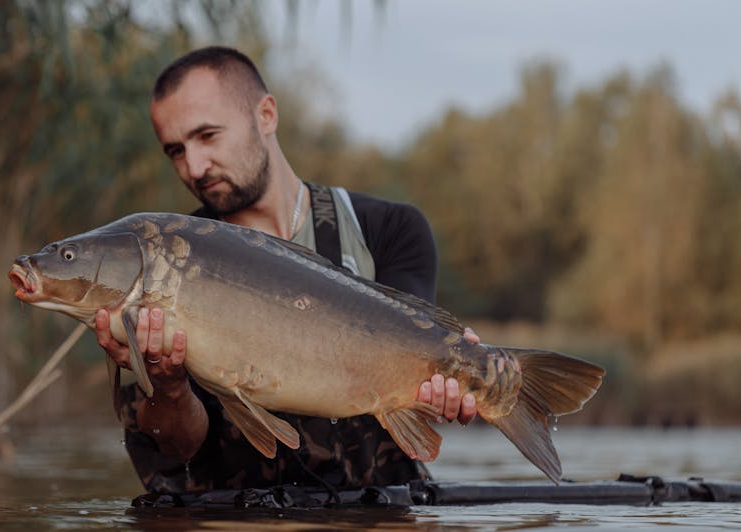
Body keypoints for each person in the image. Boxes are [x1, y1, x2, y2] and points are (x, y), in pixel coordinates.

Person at [94, 46, 477, 494]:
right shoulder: (160, 269)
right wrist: (169, 386)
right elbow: (175, 449)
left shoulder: (387, 229)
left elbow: (411, 363)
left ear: (267, 115)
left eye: (208, 136)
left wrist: (445, 384)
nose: (194, 167)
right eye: (175, 151)